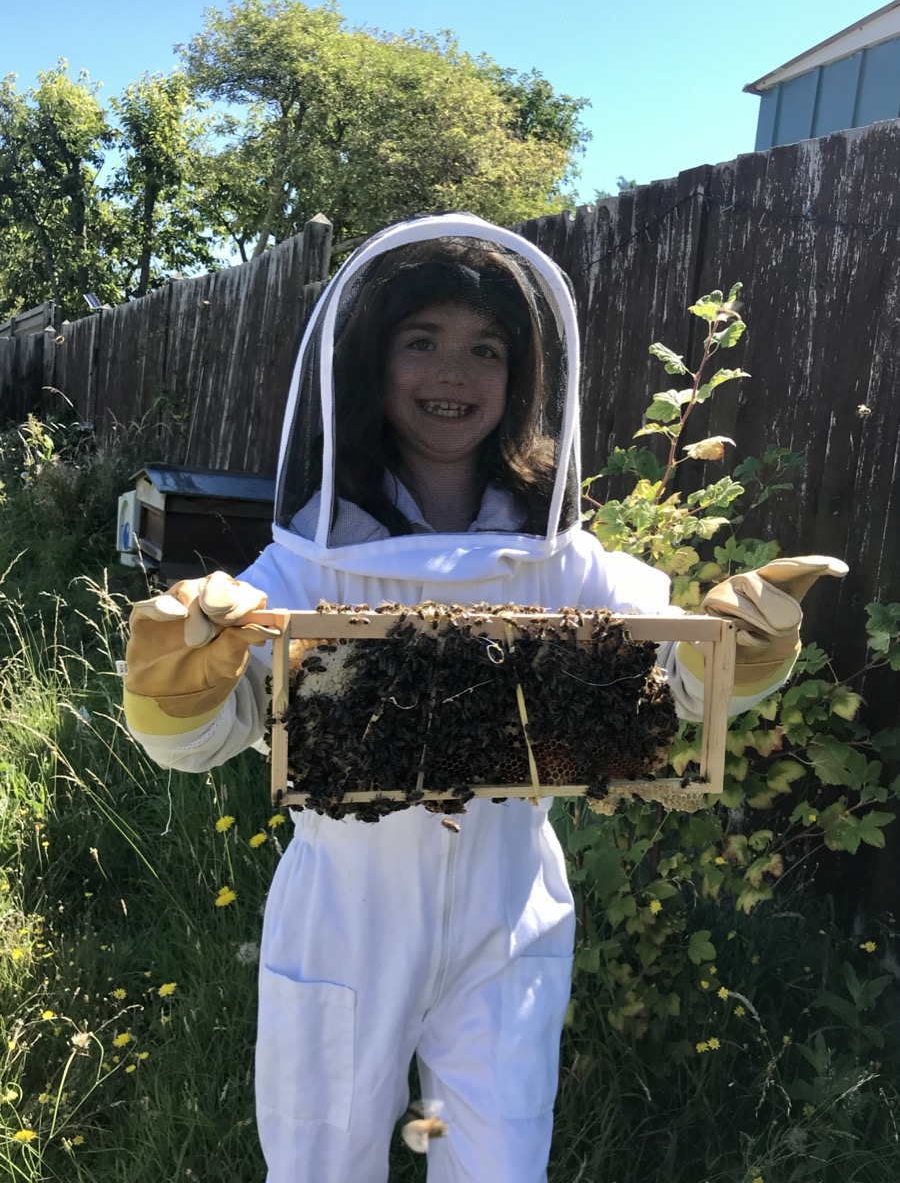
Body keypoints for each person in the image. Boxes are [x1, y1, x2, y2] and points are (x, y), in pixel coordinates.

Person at [122, 213, 846, 1183]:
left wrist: (741, 650)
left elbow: (673, 673)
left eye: (484, 350)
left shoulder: (563, 559)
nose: (452, 375)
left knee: (502, 1163)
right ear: (373, 367)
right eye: (421, 344)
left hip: (512, 911)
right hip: (345, 912)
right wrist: (178, 685)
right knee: (319, 1161)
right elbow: (205, 737)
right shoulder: (305, 561)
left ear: (522, 379)